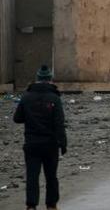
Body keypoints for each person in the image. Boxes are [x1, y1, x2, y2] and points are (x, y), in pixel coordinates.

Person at [13, 65, 67, 210]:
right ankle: (51, 205)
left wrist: (31, 117)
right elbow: (59, 123)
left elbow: (17, 118)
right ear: (50, 80)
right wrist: (63, 143)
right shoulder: (54, 98)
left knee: (32, 176)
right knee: (51, 177)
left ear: (37, 79)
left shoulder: (26, 97)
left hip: (31, 143)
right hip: (50, 144)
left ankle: (31, 206)